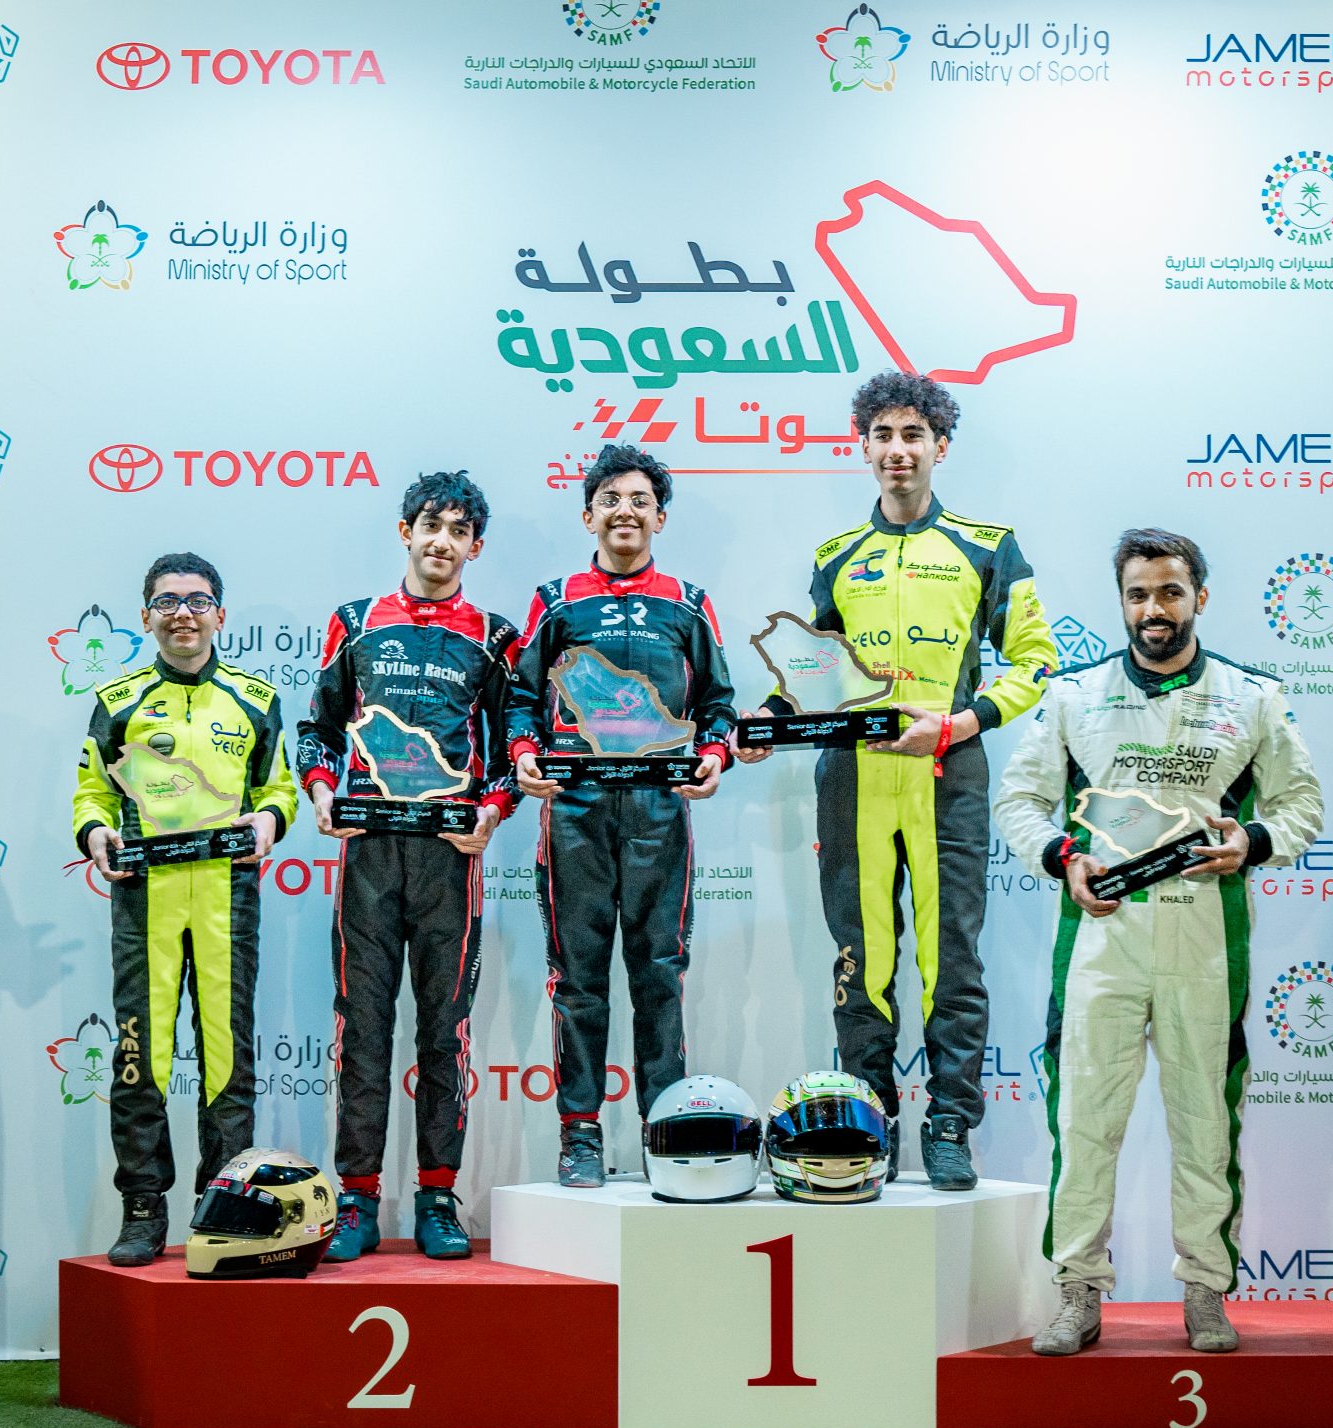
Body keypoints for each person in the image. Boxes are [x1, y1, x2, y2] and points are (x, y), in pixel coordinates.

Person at [995, 530, 1322, 1355]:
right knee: (1085, 1120)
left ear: (1199, 597)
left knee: (1206, 1124)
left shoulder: (1252, 695)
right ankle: (1077, 1291)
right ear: (1122, 600)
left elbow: (1301, 805)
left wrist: (1252, 841)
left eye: (1170, 592)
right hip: (1102, 935)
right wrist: (1062, 857)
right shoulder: (1074, 694)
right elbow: (1020, 802)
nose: (1154, 609)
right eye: (1138, 594)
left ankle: (1206, 1291)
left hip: (1204, 934)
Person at [734, 371, 1058, 1187]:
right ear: (864, 448)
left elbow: (1035, 662)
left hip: (949, 772)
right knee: (863, 959)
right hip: (854, 779)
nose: (898, 450)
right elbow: (816, 673)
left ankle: (949, 1125)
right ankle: (869, 1123)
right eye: (883, 435)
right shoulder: (836, 556)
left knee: (952, 961)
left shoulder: (989, 545)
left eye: (914, 435)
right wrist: (768, 717)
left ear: (940, 446)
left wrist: (960, 723)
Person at [297, 471, 518, 1261]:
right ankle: (357, 1199)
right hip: (369, 856)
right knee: (361, 1026)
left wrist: (493, 812)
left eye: (458, 531)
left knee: (443, 1031)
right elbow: (317, 730)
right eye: (431, 525)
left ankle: (436, 1196)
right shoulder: (356, 622)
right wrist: (321, 790)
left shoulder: (495, 636)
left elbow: (511, 750)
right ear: (406, 531)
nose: (442, 541)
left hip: (449, 861)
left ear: (474, 547)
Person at [509, 444, 737, 1187]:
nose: (625, 511)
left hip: (659, 811)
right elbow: (520, 697)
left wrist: (715, 756)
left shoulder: (688, 602)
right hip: (573, 809)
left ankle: (662, 1129)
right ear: (589, 516)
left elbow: (719, 703)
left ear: (660, 517)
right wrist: (523, 753)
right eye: (610, 499)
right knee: (577, 979)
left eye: (640, 500)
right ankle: (580, 1134)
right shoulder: (556, 598)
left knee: (659, 976)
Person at [72, 553, 296, 1266]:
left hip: (229, 895)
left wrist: (270, 820)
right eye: (167, 602)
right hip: (147, 899)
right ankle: (143, 1208)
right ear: (146, 617)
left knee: (228, 1059)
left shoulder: (255, 699)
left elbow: (279, 788)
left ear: (219, 615)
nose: (183, 614)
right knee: (141, 1056)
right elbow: (92, 793)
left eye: (197, 601)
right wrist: (95, 831)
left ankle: (222, 1207)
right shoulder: (118, 701)